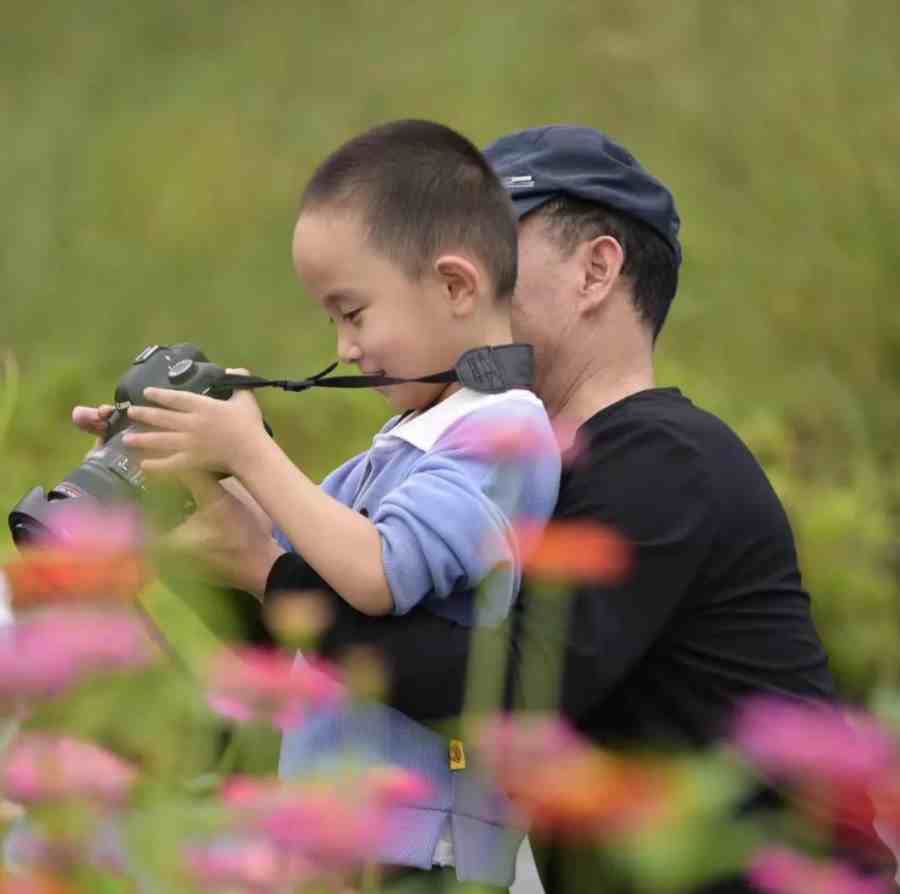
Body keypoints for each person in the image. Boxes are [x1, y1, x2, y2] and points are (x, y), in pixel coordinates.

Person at [75, 123, 837, 892]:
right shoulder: (466, 456)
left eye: (490, 240)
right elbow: (323, 651)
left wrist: (272, 567)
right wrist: (197, 481)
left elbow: (496, 691)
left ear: (596, 269)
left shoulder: (666, 458)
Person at [93, 119, 562, 890]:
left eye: (353, 312)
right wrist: (171, 451)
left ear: (454, 286)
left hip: (423, 853)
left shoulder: (502, 432)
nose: (344, 348)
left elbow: (379, 572)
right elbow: (284, 553)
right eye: (332, 322)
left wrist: (249, 449)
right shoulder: (408, 437)